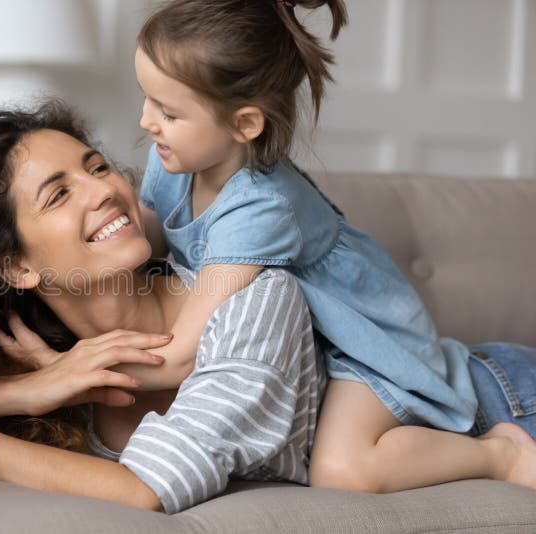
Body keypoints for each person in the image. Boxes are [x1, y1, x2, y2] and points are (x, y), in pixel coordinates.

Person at [0, 101, 536, 514]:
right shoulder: (59, 373)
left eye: (97, 166)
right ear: (16, 267)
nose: (105, 189)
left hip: (499, 402)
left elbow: (143, 491)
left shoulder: (249, 296)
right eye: (59, 193)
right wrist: (26, 393)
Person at [114, 0, 522, 493]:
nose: (145, 121)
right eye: (146, 99)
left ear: (245, 124)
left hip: (365, 342)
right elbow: (149, 242)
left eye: (168, 111)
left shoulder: (258, 209)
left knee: (342, 470)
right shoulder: (174, 159)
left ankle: (498, 453)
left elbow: (181, 356)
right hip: (309, 348)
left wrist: (67, 371)